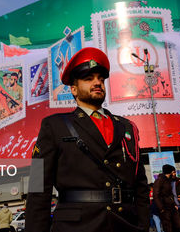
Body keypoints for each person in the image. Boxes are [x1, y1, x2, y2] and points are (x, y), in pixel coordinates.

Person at [25, 47, 150, 232]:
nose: (97, 82)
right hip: (76, 226)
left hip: (125, 224)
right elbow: (37, 188)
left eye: (100, 78)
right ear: (73, 89)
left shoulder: (127, 127)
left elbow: (140, 185)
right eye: (89, 79)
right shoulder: (53, 125)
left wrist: (143, 225)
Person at [153, 165, 180, 232]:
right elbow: (156, 195)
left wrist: (174, 204)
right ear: (169, 172)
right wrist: (161, 208)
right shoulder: (159, 180)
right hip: (164, 208)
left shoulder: (168, 180)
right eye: (173, 172)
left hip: (172, 207)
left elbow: (170, 194)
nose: (174, 173)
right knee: (168, 228)